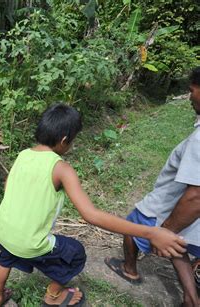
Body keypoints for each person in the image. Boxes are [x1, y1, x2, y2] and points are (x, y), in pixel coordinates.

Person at [0, 103, 187, 307]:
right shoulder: (61, 168)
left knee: (7, 254)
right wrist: (150, 233)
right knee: (75, 253)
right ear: (65, 140)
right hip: (28, 243)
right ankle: (53, 295)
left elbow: (7, 187)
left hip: (2, 231)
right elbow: (91, 215)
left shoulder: (23, 154)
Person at [105, 67, 200, 307]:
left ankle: (129, 269)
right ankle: (191, 298)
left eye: (191, 91)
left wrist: (164, 230)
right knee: (179, 243)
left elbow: (196, 196)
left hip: (168, 204)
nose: (189, 97)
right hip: (186, 213)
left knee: (132, 227)